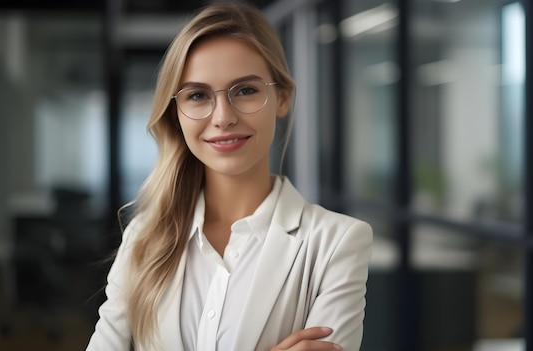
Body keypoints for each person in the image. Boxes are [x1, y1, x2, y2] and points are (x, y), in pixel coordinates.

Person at [85, 1, 373, 351]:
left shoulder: (337, 244)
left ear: (282, 98)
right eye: (197, 95)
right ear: (177, 112)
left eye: (246, 90)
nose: (222, 117)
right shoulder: (145, 238)